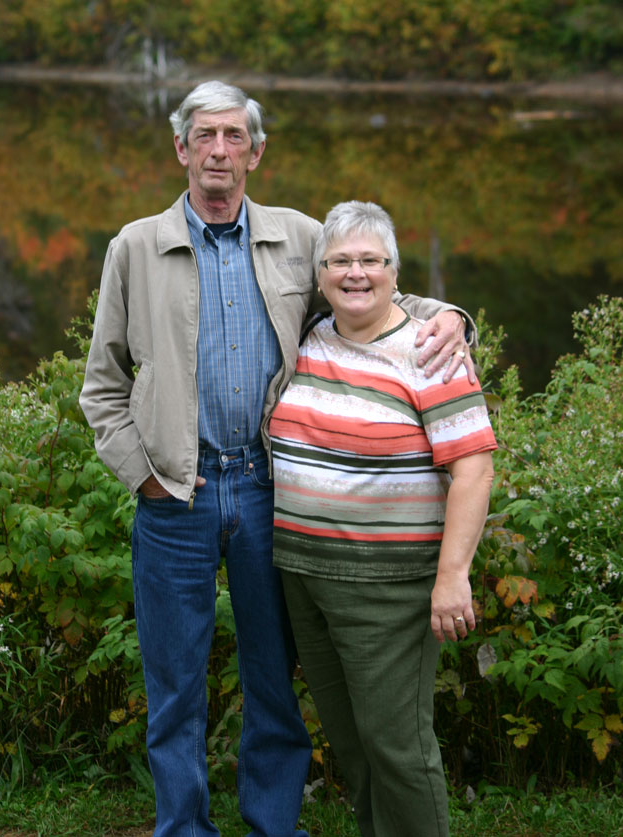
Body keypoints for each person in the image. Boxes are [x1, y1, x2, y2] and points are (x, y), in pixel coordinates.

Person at [79, 82, 475, 837]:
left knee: (273, 679)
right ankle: (184, 828)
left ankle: (272, 825)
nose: (219, 150)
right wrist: (147, 476)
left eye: (234, 136)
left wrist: (448, 315)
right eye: (205, 136)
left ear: (257, 152)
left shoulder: (296, 236)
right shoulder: (134, 246)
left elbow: (370, 289)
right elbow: (103, 387)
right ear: (181, 149)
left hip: (268, 492)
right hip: (176, 497)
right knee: (174, 687)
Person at [269, 201, 497, 837]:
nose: (356, 273)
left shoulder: (430, 351)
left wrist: (453, 575)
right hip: (305, 576)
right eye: (340, 261)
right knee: (353, 742)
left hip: (388, 587)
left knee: (397, 747)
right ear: (320, 275)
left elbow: (473, 469)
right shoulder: (312, 335)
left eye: (371, 260)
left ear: (397, 273)